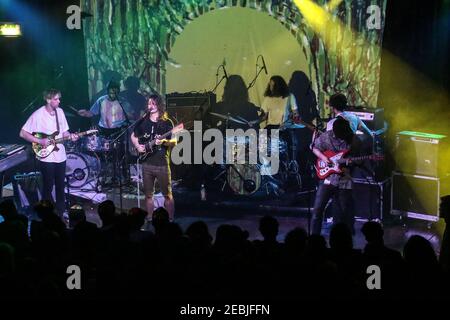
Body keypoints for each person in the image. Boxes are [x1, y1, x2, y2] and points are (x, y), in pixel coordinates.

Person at [19, 89, 79, 219]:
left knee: (60, 185)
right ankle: (47, 213)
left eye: (59, 99)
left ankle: (61, 212)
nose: (59, 101)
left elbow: (64, 132)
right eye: (56, 99)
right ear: (48, 100)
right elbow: (23, 133)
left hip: (60, 155)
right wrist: (40, 140)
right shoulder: (38, 114)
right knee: (48, 186)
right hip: (46, 156)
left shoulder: (60, 112)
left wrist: (71, 136)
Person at [131, 94, 176, 221]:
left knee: (167, 195)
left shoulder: (166, 122)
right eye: (149, 103)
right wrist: (138, 146)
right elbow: (133, 136)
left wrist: (163, 142)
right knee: (148, 195)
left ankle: (171, 219)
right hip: (146, 163)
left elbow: (174, 141)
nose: (151, 105)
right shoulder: (143, 121)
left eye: (154, 103)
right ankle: (150, 218)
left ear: (159, 105)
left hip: (161, 164)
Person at [310, 117, 358, 235]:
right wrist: (324, 158)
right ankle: (314, 238)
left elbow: (358, 160)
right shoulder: (327, 136)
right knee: (317, 211)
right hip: (327, 177)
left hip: (344, 179)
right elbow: (314, 147)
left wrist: (351, 163)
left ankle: (342, 240)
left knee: (343, 213)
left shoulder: (353, 140)